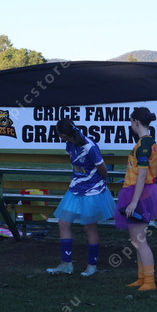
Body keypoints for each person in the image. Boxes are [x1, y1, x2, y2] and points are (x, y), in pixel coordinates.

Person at [46, 119, 115, 277]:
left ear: (63, 135)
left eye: (58, 134)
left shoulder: (89, 147)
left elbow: (104, 170)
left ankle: (92, 266)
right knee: (63, 223)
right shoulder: (69, 144)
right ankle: (66, 264)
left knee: (89, 228)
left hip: (92, 192)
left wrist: (93, 184)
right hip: (75, 189)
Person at [112, 107, 157, 291]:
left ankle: (149, 281)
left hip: (137, 194)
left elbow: (142, 174)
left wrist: (133, 201)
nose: (130, 125)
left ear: (136, 121)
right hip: (147, 193)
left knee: (140, 242)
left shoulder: (142, 145)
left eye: (131, 121)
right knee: (137, 241)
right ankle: (142, 278)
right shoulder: (152, 143)